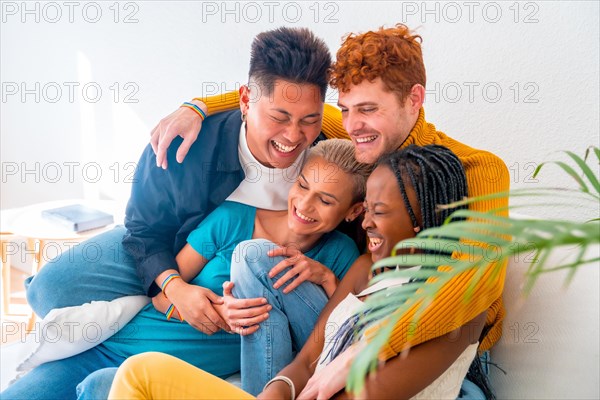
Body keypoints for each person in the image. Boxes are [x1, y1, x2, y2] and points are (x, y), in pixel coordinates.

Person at [3, 27, 351, 400]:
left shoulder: (326, 159)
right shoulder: (187, 145)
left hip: (219, 284)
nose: (294, 135)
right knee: (50, 289)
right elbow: (144, 231)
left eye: (308, 120)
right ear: (246, 101)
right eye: (280, 117)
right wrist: (174, 289)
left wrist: (199, 103)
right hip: (167, 241)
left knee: (102, 385)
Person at [152, 23, 510, 358]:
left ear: (414, 99)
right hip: (356, 326)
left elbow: (476, 286)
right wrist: (197, 107)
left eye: (368, 109)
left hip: (441, 345)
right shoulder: (358, 136)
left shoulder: (477, 169)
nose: (353, 126)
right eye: (345, 110)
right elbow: (276, 99)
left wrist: (365, 351)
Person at [107, 144, 488, 400]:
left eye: (380, 212)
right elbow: (307, 362)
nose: (367, 224)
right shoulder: (366, 267)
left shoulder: (460, 305)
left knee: (139, 375)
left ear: (424, 219)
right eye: (368, 208)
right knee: (128, 374)